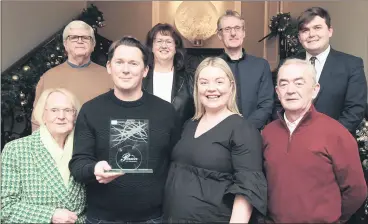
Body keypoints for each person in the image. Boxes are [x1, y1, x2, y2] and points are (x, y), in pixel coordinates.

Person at [69, 36, 180, 223]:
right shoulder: (91, 110)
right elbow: (78, 164)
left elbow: (177, 163)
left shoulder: (166, 112)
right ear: (109, 67)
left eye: (133, 63)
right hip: (102, 218)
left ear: (145, 71)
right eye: (119, 62)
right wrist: (94, 168)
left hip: (153, 218)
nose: (126, 70)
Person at [163, 57, 267, 223]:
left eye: (219, 81)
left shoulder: (243, 129)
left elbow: (248, 189)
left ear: (231, 86)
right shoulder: (189, 124)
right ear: (197, 88)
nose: (211, 89)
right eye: (204, 82)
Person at [263, 59, 367, 223]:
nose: (290, 90)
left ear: (314, 90)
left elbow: (356, 190)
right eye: (283, 84)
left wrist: (332, 218)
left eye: (299, 83)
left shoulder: (336, 133)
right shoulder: (268, 133)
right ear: (277, 92)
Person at [274, 7, 367, 135]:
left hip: (333, 144)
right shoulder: (286, 64)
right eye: (305, 30)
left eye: (317, 28)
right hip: (292, 141)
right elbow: (278, 104)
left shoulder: (351, 65)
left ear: (330, 31)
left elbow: (355, 110)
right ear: (300, 37)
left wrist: (327, 138)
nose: (311, 34)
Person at [1, 88, 86, 223]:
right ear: (43, 114)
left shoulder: (84, 149)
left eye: (68, 110)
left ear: (75, 116)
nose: (61, 116)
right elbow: (4, 208)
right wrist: (50, 215)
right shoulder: (16, 150)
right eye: (54, 110)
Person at [32, 20, 113, 131]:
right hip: (58, 146)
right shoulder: (48, 77)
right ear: (65, 44)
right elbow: (37, 120)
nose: (80, 41)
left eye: (85, 38)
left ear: (93, 45)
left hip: (97, 144)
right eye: (74, 37)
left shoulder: (109, 76)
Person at [217, 10, 274, 130]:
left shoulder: (261, 65)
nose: (233, 33)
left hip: (253, 133)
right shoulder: (212, 67)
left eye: (237, 28)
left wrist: (245, 129)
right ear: (219, 35)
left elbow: (266, 104)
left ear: (243, 33)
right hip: (220, 133)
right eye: (227, 29)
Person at [144, 23, 194, 126]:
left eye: (168, 41)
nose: (164, 45)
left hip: (180, 139)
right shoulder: (140, 78)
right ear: (151, 47)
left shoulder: (189, 79)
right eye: (159, 41)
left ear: (176, 48)